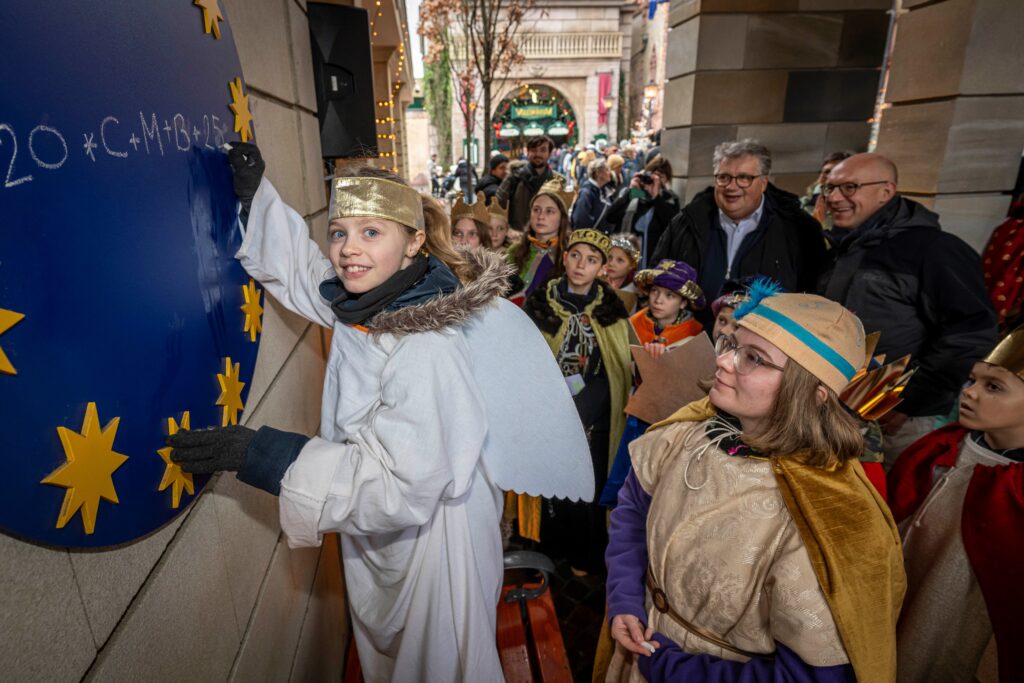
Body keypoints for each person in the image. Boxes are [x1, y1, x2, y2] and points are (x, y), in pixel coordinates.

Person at [168, 143, 594, 683]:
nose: (348, 250)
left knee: (437, 666)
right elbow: (305, 272)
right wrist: (257, 198)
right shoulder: (371, 300)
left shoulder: (426, 344)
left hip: (432, 544)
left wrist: (265, 454)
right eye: (340, 231)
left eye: (372, 232)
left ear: (414, 241)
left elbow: (403, 484)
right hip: (378, 525)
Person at [603, 288, 905, 683]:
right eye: (732, 343)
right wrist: (625, 598)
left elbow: (811, 677)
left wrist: (666, 666)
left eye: (754, 358)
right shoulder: (686, 433)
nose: (723, 361)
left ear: (812, 394)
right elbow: (633, 513)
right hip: (638, 647)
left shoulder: (829, 517)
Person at [817, 152, 997, 465]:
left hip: (895, 420)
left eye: (848, 188)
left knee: (886, 503)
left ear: (885, 191)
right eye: (829, 188)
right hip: (835, 404)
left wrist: (908, 402)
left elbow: (970, 333)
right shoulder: (845, 244)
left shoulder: (936, 250)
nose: (834, 197)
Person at [887, 327, 1024, 682]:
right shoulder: (936, 450)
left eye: (993, 386)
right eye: (972, 380)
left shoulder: (1017, 491)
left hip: (956, 640)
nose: (970, 393)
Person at [521, 229, 632, 573]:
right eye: (575, 255)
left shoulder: (612, 312)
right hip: (548, 412)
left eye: (592, 259)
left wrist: (587, 408)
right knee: (551, 485)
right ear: (564, 257)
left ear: (602, 268)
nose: (581, 264)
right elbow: (526, 361)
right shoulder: (540, 303)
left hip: (593, 419)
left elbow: (617, 370)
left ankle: (584, 554)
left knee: (588, 484)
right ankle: (549, 550)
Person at [652, 140, 825, 318]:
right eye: (723, 177)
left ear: (764, 182)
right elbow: (656, 279)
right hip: (688, 340)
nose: (731, 187)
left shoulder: (800, 231)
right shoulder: (685, 223)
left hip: (758, 343)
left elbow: (811, 304)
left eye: (744, 178)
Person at [604, 155, 681, 266]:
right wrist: (630, 192)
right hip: (626, 258)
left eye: (661, 176)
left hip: (654, 260)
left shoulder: (669, 199)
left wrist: (656, 198)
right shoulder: (634, 194)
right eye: (653, 175)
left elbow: (673, 225)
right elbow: (610, 217)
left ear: (667, 179)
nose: (657, 180)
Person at [507, 178, 574, 301]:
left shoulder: (569, 257)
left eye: (550, 211)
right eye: (536, 209)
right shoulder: (514, 251)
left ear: (562, 218)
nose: (541, 216)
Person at [629, 260, 704, 358]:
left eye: (669, 295)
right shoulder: (633, 323)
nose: (658, 300)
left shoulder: (695, 333)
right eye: (654, 291)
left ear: (683, 303)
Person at [495, 135, 564, 230]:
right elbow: (497, 207)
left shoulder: (558, 181)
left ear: (549, 154)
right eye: (534, 150)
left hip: (547, 238)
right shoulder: (514, 178)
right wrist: (508, 230)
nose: (538, 154)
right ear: (528, 153)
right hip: (518, 237)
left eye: (543, 150)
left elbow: (563, 214)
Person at [801, 151, 853, 239]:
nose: (825, 176)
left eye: (833, 171)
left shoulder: (852, 210)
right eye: (824, 172)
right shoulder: (804, 204)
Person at [572, 158, 615, 231]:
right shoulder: (586, 193)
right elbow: (581, 220)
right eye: (607, 170)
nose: (610, 173)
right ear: (598, 173)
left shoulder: (603, 190)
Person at [604, 235, 640, 312]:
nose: (611, 263)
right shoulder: (596, 280)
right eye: (609, 257)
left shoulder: (634, 292)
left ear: (632, 265)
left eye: (620, 260)